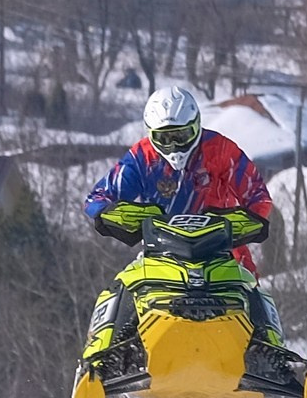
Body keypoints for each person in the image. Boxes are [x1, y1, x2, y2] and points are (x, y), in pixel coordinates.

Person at [86, 85, 274, 272]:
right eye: (164, 138)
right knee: (120, 289)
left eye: (182, 135)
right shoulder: (143, 156)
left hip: (222, 253)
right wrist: (119, 215)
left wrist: (242, 223)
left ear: (196, 125)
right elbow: (97, 197)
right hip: (160, 255)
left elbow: (257, 194)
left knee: (251, 288)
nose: (174, 146)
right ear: (150, 134)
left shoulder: (220, 149)